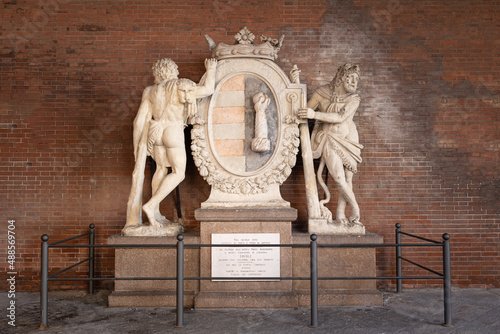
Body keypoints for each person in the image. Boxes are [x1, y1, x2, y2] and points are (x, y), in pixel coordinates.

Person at [123, 58, 217, 235]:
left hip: (155, 131)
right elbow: (208, 90)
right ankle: (151, 206)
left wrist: (137, 148)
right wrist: (210, 69)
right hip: (172, 132)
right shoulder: (180, 85)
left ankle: (156, 212)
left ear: (158, 72)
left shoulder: (150, 91)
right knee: (178, 172)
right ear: (172, 70)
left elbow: (139, 120)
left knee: (160, 168)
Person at [298, 63, 363, 225]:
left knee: (348, 179)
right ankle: (355, 208)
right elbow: (304, 112)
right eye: (351, 78)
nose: (355, 82)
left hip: (350, 140)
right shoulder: (322, 93)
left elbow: (340, 117)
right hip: (329, 138)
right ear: (341, 78)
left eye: (357, 79)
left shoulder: (354, 99)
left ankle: (340, 215)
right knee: (339, 178)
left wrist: (315, 114)